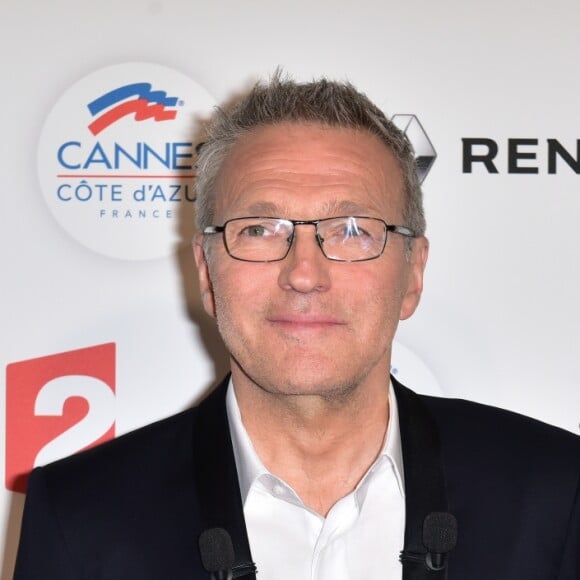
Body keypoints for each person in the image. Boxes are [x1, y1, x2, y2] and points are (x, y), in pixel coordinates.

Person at [14, 74, 580, 580]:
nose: (304, 274)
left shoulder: (554, 491)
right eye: (260, 229)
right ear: (207, 274)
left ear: (413, 274)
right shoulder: (79, 512)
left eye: (352, 229)